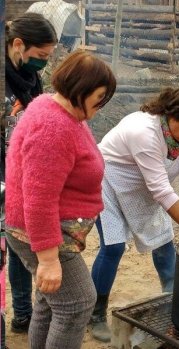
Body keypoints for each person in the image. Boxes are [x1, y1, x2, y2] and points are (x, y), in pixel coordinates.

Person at [89, 87, 179, 342]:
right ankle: (94, 315)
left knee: (163, 242)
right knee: (113, 247)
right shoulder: (145, 132)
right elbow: (162, 191)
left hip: (145, 182)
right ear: (172, 116)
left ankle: (173, 302)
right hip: (109, 179)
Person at [4, 50, 116, 348]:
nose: (101, 105)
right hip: (41, 235)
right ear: (81, 89)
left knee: (49, 303)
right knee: (78, 302)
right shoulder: (54, 128)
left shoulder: (55, 108)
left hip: (42, 231)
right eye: (100, 97)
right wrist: (49, 259)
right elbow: (38, 199)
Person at [3, 12, 58, 334]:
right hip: (3, 171)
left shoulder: (30, 78)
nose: (42, 65)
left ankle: (24, 315)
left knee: (21, 240)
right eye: (40, 57)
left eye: (47, 58)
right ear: (18, 44)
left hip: (23, 170)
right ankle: (20, 310)